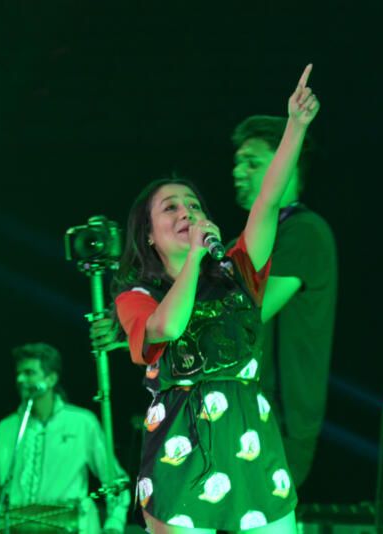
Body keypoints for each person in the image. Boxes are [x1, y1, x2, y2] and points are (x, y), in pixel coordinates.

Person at [112, 65, 319, 533]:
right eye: (171, 208)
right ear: (149, 235)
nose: (186, 212)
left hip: (253, 445)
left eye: (194, 205)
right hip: (180, 455)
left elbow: (267, 203)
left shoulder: (237, 272)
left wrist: (295, 127)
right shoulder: (136, 296)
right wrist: (193, 260)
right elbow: (167, 327)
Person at [231, 115, 337, 488]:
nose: (237, 172)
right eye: (238, 162)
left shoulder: (304, 232)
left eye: (252, 163)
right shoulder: (248, 241)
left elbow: (249, 311)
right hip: (242, 414)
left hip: (276, 421)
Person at [0, 342, 130, 534]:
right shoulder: (6, 428)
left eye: (29, 373)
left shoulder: (82, 423)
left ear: (51, 379)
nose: (20, 379)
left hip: (72, 527)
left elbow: (115, 481)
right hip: (18, 529)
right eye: (19, 373)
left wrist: (114, 524)